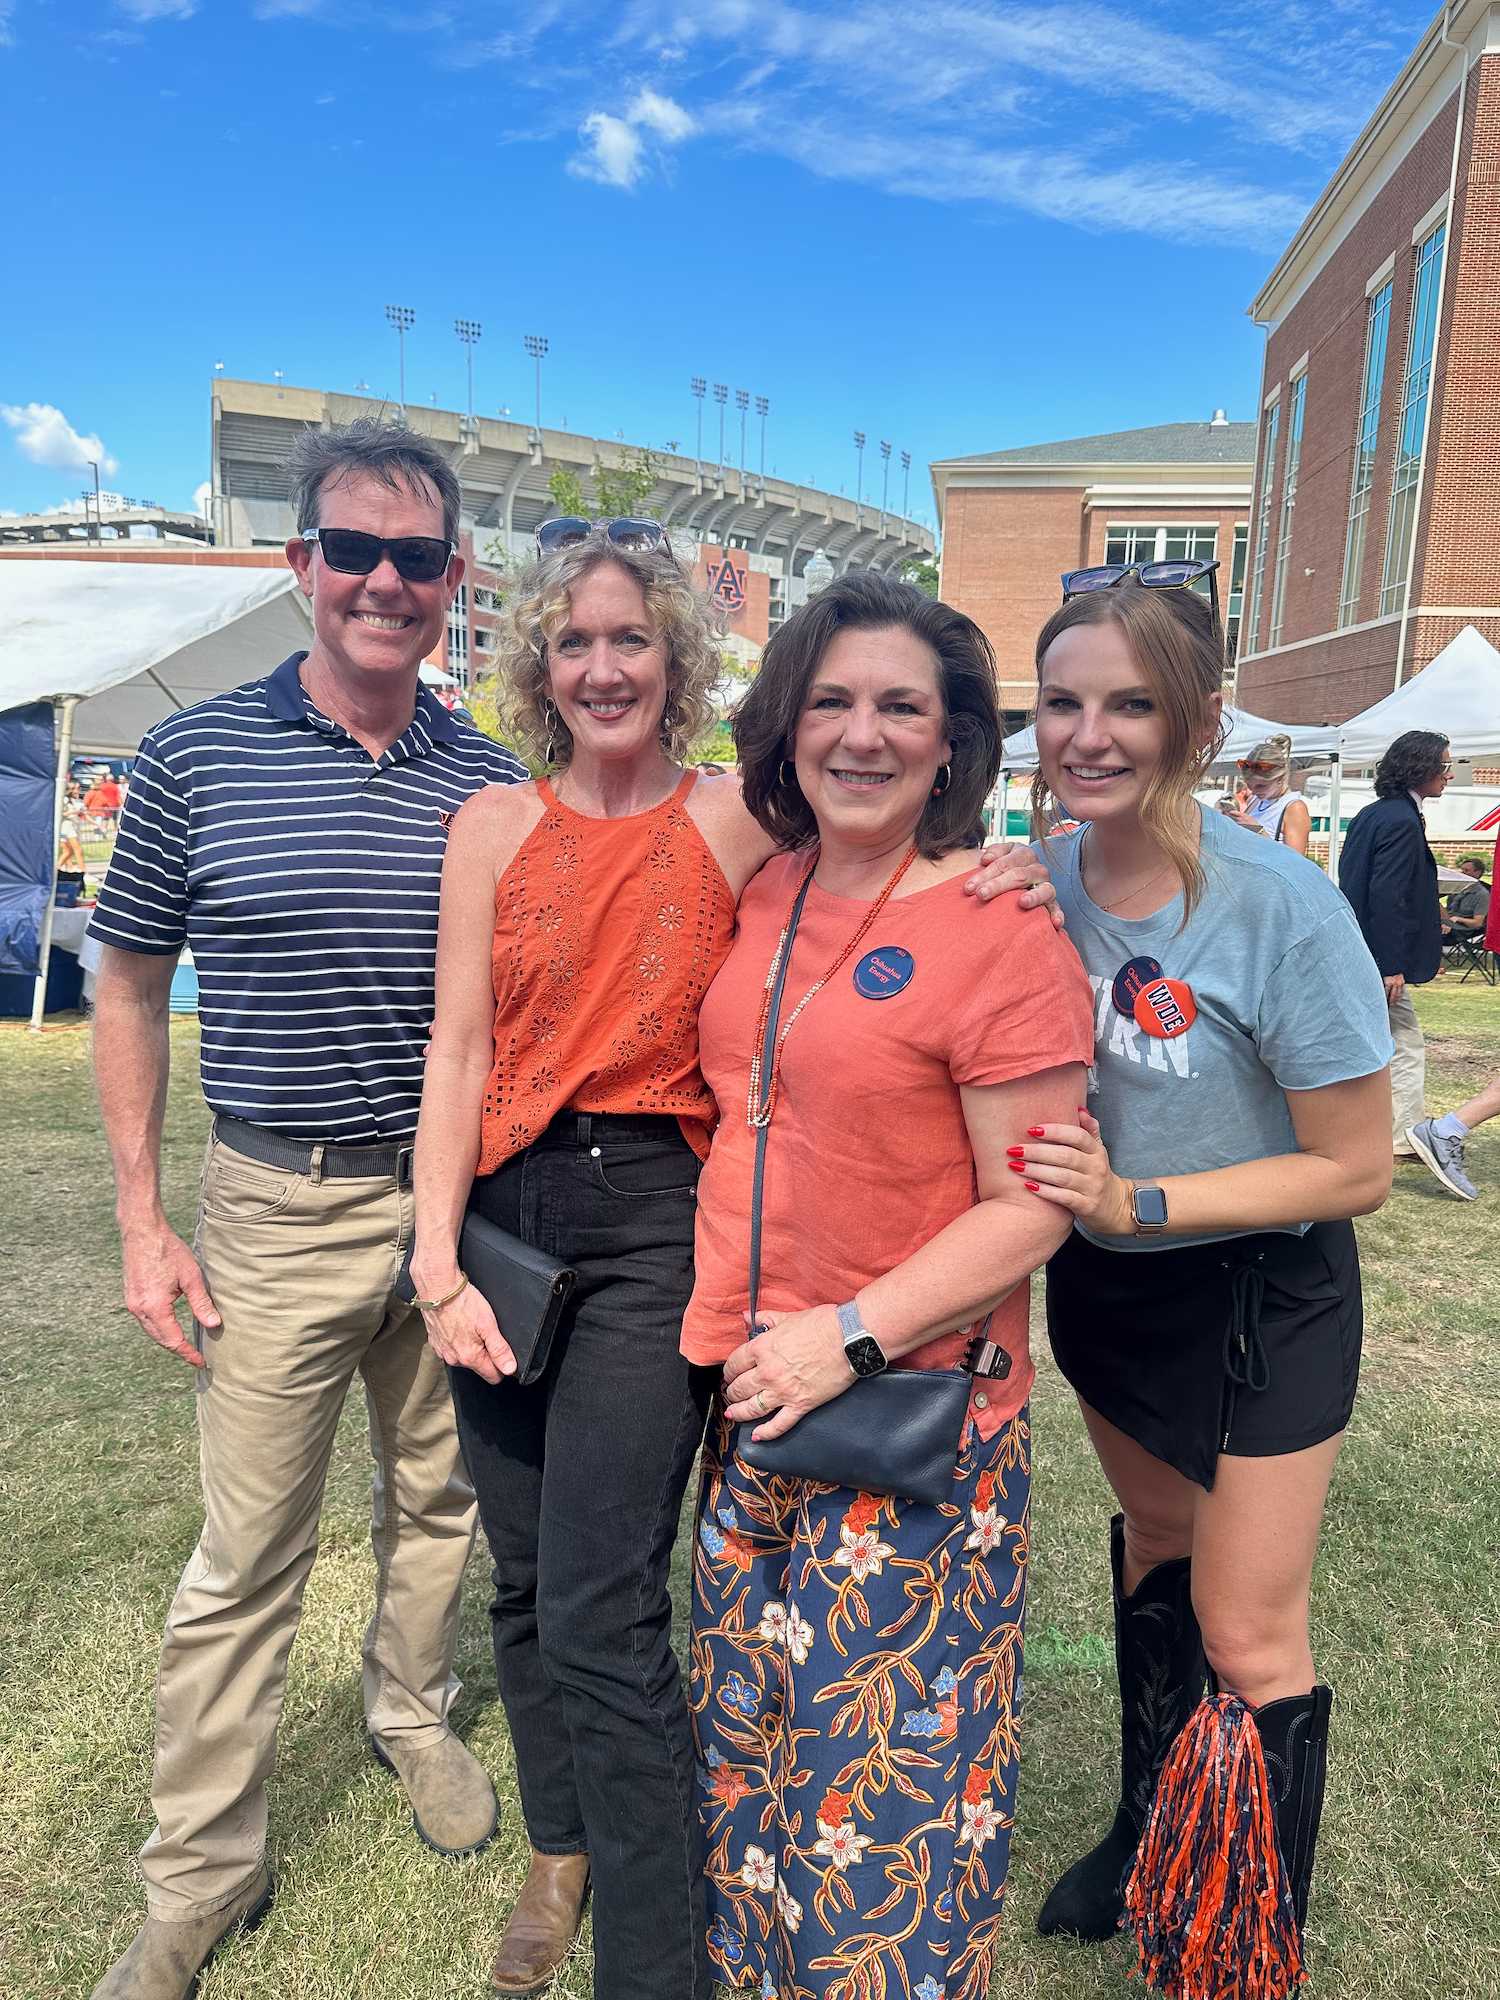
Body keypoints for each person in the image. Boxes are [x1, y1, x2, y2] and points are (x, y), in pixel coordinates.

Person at [413, 538, 1051, 2000]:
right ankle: (559, 1848)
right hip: (501, 1217)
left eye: (629, 639)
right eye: (572, 644)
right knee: (521, 1577)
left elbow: (894, 859)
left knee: (600, 1596)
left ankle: (655, 1967)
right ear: (538, 665)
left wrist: (1025, 863)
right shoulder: (489, 828)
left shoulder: (731, 826)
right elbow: (458, 1049)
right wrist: (432, 1254)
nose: (602, 668)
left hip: (652, 1212)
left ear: (676, 660)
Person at [86, 420, 527, 2000]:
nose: (385, 584)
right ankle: (199, 1876)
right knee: (246, 1552)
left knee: (441, 1505)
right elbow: (128, 990)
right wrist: (145, 1223)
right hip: (274, 1204)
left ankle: (411, 1716)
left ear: (453, 579)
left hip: (453, 1215)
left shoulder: (492, 779)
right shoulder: (198, 757)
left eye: (418, 558)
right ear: (302, 563)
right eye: (355, 550)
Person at [682, 572, 1095, 2000]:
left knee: (883, 1810)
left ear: (953, 741)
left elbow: (1033, 1203)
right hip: (753, 1392)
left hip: (904, 1415)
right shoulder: (768, 884)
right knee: (750, 1758)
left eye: (901, 708)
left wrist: (841, 1341)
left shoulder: (1002, 926)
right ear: (789, 722)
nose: (861, 736)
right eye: (833, 701)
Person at [1009, 572, 1392, 1993]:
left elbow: (1353, 1166)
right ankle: (1146, 1825)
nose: (1091, 734)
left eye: (1133, 704)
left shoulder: (1281, 907)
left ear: (1201, 721)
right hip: (1114, 1295)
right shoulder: (1035, 882)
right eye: (1065, 702)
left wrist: (1138, 1196)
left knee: (1248, 1627)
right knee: (1156, 1543)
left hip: (1264, 1288)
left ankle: (1245, 1938)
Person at [1338, 729, 1451, 1160]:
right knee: (1404, 1047)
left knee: (1374, 1044)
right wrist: (1390, 964)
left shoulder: (1374, 813)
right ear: (1419, 768)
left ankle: (1380, 1130)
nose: (1448, 775)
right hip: (1378, 958)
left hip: (1359, 949)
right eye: (1444, 766)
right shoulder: (1401, 819)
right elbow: (1388, 895)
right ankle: (1401, 1137)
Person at [1229, 734, 1310, 853]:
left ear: (1280, 779)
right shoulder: (1256, 800)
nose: (1254, 791)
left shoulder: (1294, 808)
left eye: (1261, 786)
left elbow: (1295, 863)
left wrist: (1259, 831)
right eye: (1249, 785)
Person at [1439, 853, 1490, 945]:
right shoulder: (1459, 887)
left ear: (1477, 873)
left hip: (1460, 931)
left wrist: (1458, 919)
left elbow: (1477, 923)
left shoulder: (1482, 894)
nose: (1462, 873)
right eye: (1462, 870)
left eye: (1466, 870)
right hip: (1446, 923)